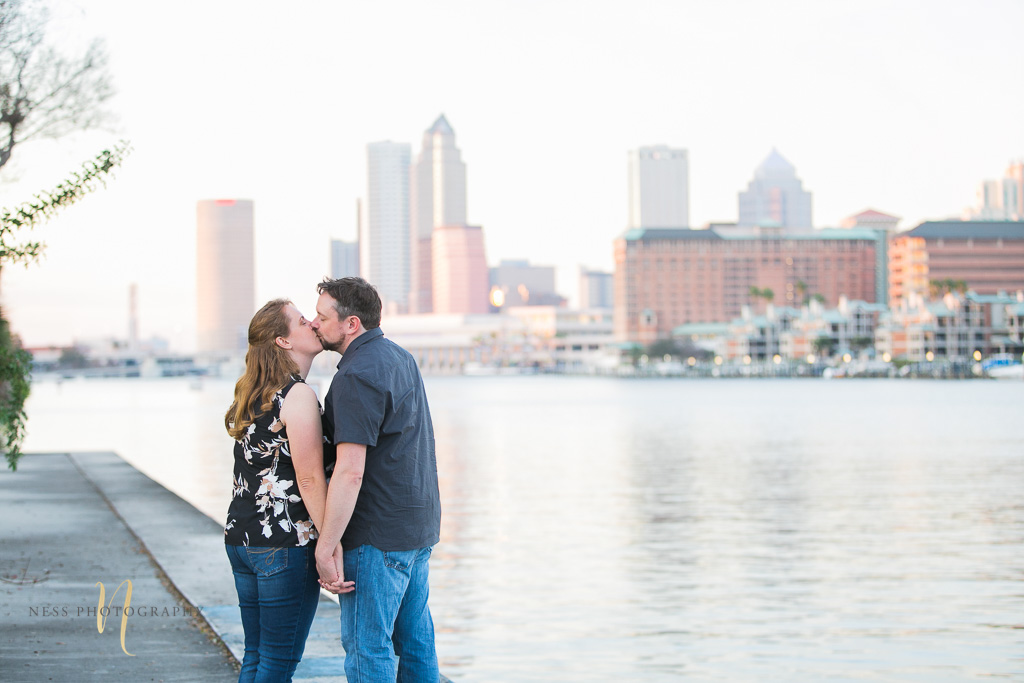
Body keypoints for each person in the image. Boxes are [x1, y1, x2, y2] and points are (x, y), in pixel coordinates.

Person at [310, 277, 442, 682]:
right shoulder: (399, 357)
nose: (314, 323)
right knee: (416, 644)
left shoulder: (355, 376)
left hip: (376, 536)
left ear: (351, 324)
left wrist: (325, 546)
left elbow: (350, 471)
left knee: (369, 647)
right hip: (417, 528)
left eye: (321, 316)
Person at [223, 299, 336, 683]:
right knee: (278, 662)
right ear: (283, 341)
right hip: (283, 544)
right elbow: (308, 480)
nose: (313, 325)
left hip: (242, 539)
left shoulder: (253, 395)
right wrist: (330, 544)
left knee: (256, 656)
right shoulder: (297, 395)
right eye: (303, 321)